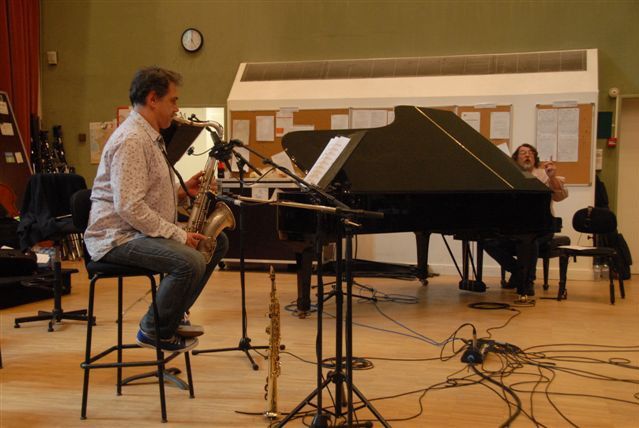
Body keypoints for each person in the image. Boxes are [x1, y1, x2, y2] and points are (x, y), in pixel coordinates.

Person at [84, 66, 228, 352]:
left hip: (135, 230)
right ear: (153, 99)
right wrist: (179, 235)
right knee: (189, 260)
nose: (177, 108)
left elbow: (143, 196)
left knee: (216, 242)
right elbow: (129, 206)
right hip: (116, 237)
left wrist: (182, 192)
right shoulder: (132, 140)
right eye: (173, 100)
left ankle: (172, 315)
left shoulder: (149, 137)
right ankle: (154, 329)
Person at [484, 143, 568, 296]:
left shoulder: (545, 174)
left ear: (535, 158)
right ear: (515, 158)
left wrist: (552, 177)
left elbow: (559, 196)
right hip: (514, 227)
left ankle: (527, 282)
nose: (527, 155)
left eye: (530, 153)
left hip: (542, 227)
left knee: (530, 240)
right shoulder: (508, 175)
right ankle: (518, 272)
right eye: (522, 153)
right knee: (488, 242)